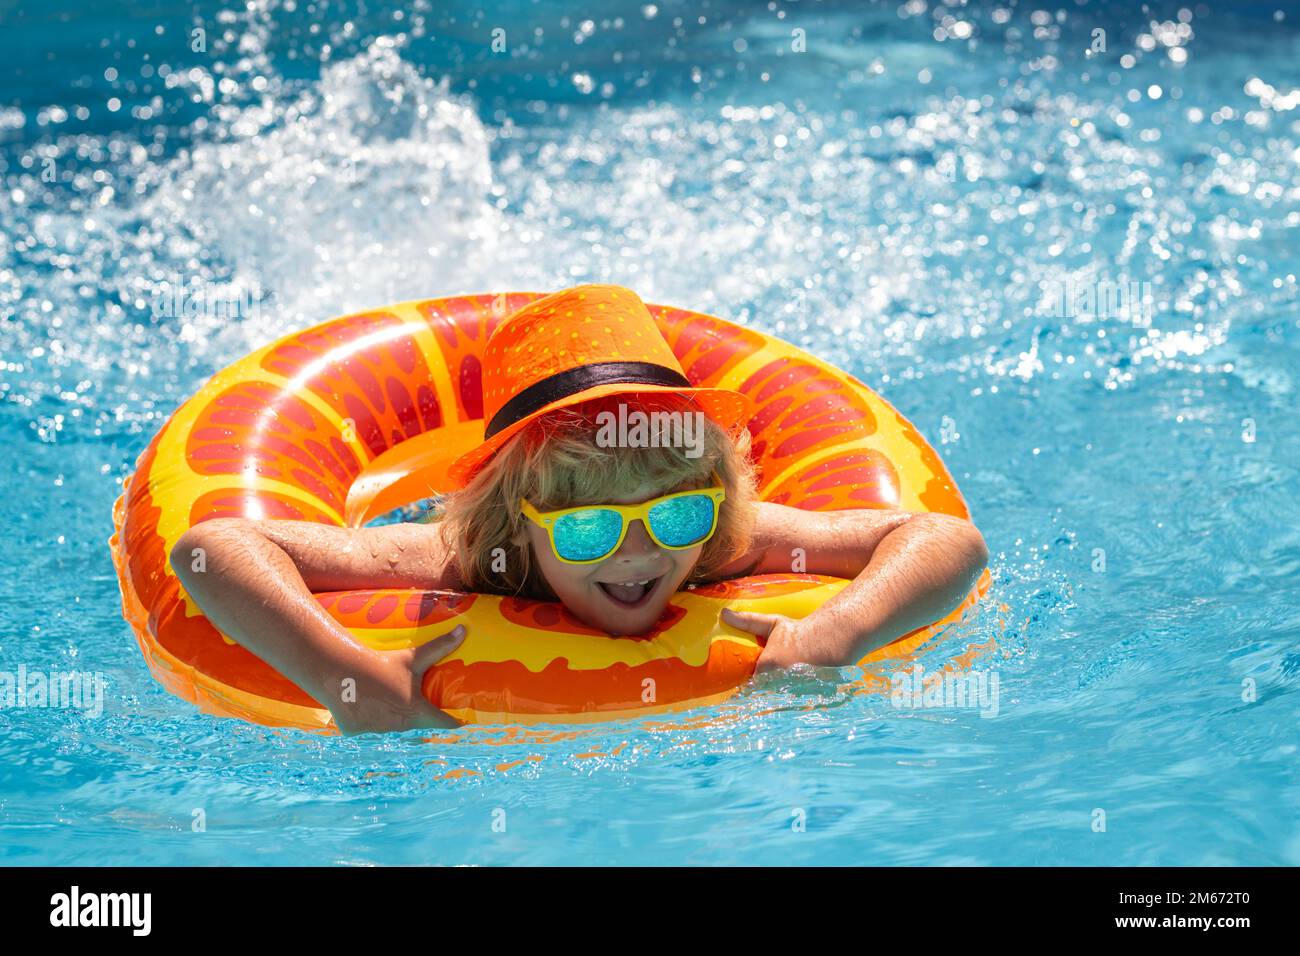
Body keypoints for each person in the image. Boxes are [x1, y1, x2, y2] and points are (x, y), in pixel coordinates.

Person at [171, 284, 988, 734]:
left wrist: (834, 633)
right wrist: (344, 676)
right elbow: (211, 549)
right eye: (590, 528)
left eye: (674, 515)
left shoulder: (722, 544)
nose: (637, 554)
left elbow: (943, 538)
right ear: (517, 522)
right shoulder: (474, 561)